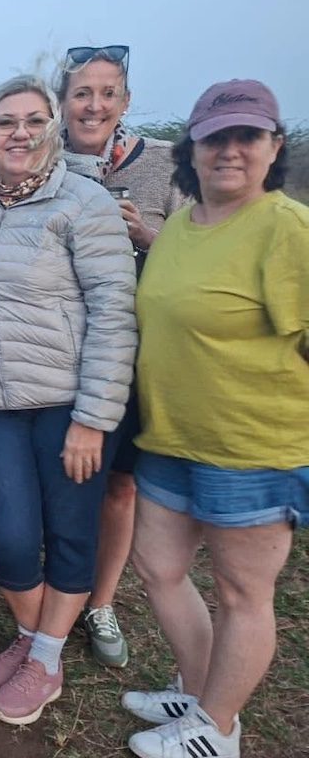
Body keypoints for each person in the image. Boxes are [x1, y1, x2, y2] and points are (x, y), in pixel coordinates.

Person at [122, 80, 307, 758]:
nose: (230, 150)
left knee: (241, 591)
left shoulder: (286, 228)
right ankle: (199, 691)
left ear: (274, 147)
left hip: (252, 446)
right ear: (192, 149)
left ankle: (218, 728)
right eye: (215, 138)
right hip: (171, 436)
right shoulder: (181, 224)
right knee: (158, 568)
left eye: (247, 136)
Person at [0, 75, 136, 725]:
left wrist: (93, 419)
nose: (20, 133)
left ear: (52, 129)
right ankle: (34, 638)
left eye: (34, 121)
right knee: (6, 540)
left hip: (69, 403)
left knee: (69, 533)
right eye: (6, 122)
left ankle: (46, 660)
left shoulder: (83, 202)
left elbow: (115, 313)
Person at [55, 45, 186, 669]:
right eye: (82, 93)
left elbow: (195, 258)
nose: (94, 105)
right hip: (54, 350)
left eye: (108, 93)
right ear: (63, 102)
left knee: (119, 485)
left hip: (132, 354)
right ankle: (54, 596)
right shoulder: (39, 157)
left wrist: (145, 236)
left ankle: (100, 602)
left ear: (126, 101)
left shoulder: (164, 163)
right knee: (57, 481)